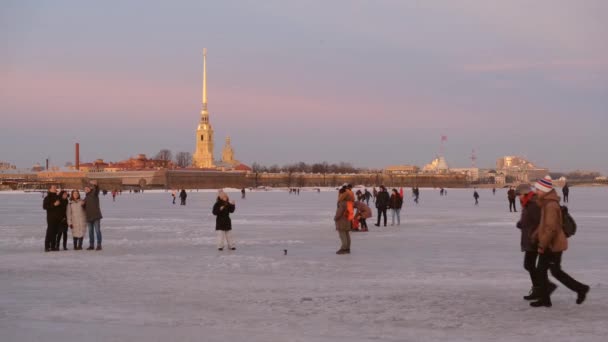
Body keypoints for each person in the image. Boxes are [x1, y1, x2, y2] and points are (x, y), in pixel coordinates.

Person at [530, 176, 590, 308]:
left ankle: (580, 289)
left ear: (545, 190)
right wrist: (535, 235)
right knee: (549, 271)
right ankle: (547, 299)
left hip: (553, 245)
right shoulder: (546, 203)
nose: (536, 191)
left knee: (548, 271)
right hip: (551, 243)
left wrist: (542, 244)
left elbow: (550, 228)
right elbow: (543, 225)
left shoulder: (550, 205)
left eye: (538, 189)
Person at [515, 183, 554, 300]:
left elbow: (539, 223)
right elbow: (529, 220)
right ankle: (541, 287)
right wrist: (521, 224)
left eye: (519, 195)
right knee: (530, 265)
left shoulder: (533, 204)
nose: (518, 197)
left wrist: (535, 236)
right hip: (530, 238)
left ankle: (543, 287)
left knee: (529, 265)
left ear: (525, 193)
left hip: (535, 239)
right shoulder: (527, 203)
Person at [84, 181, 103, 251]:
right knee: (90, 232)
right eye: (85, 189)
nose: (86, 190)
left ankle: (99, 245)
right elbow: (84, 208)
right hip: (89, 217)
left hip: (96, 216)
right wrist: (82, 204)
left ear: (90, 189)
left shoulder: (94, 193)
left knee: (97, 231)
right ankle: (91, 245)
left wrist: (96, 185)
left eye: (87, 188)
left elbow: (97, 190)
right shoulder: (85, 198)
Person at [43, 185, 62, 252]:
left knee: (55, 232)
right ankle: (47, 246)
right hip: (51, 218)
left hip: (58, 218)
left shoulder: (57, 197)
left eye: (55, 187)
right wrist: (54, 205)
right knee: (50, 232)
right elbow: (45, 207)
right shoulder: (47, 198)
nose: (55, 189)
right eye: (53, 188)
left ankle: (53, 246)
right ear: (50, 189)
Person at [334, 187, 353, 254]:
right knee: (347, 234)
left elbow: (339, 213)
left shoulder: (342, 203)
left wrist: (335, 218)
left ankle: (344, 248)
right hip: (348, 221)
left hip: (342, 221)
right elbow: (351, 213)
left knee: (342, 235)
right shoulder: (350, 202)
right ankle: (347, 248)